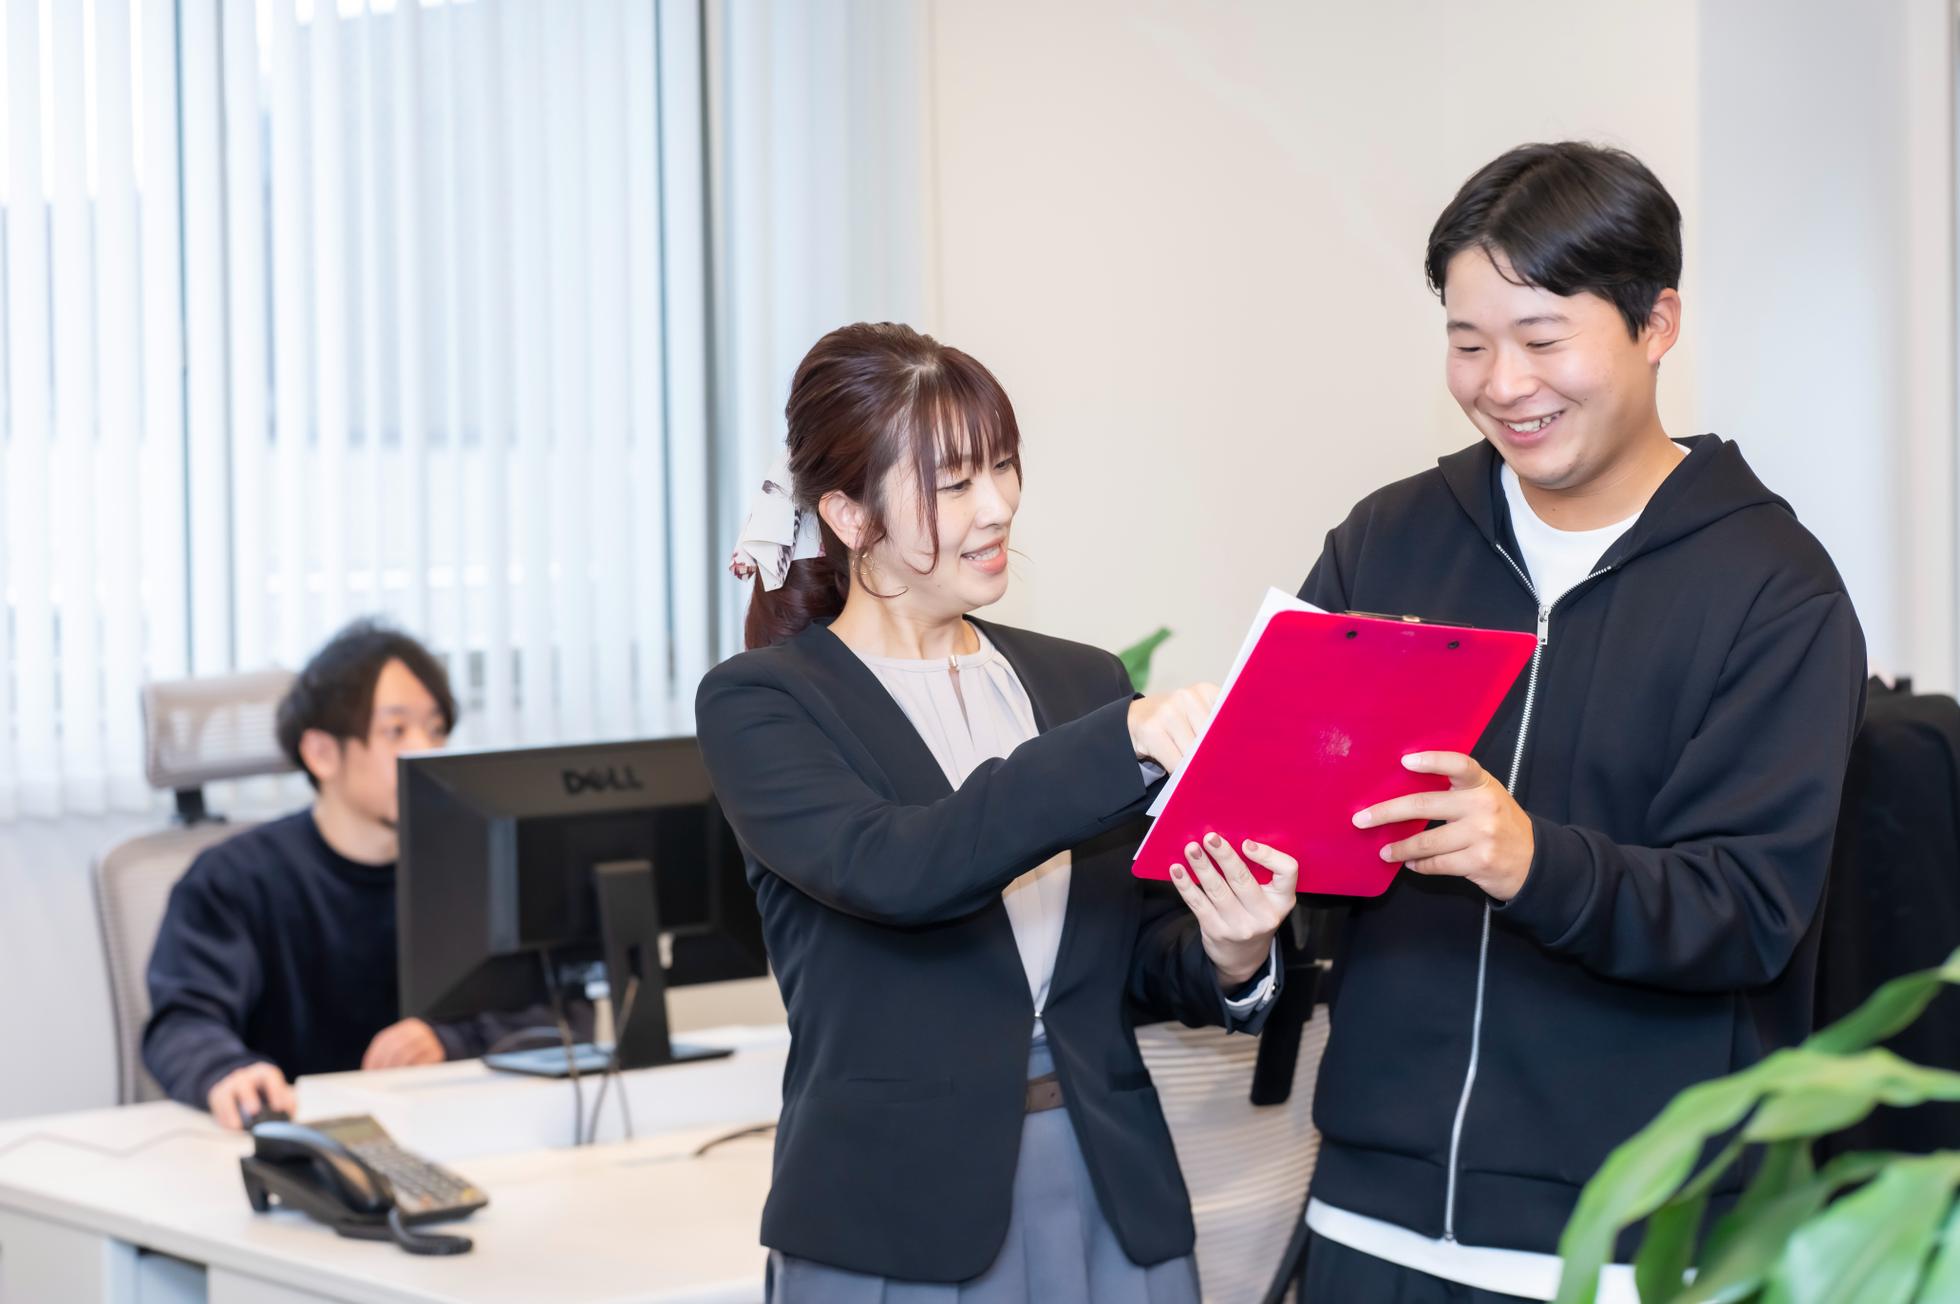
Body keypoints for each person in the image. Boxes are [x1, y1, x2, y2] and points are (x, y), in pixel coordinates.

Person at [1290, 142, 1868, 1301]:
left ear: (1656, 323)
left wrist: (1530, 859)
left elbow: (1749, 910)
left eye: (1542, 338)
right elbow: (1298, 815)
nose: (1502, 383)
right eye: (1467, 343)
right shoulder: (1387, 541)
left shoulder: (1772, 589)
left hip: (1619, 1244)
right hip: (1369, 1217)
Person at [695, 322, 1298, 1300]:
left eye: (1003, 466)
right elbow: (901, 866)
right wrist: (1120, 739)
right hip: (895, 1221)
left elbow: (1133, 954)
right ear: (849, 513)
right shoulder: (763, 701)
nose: (999, 505)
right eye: (954, 482)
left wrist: (1231, 953)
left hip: (1112, 1193)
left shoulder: (1079, 680)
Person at [143, 620, 551, 1128]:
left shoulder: (478, 869)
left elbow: (558, 1011)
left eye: (436, 729)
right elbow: (182, 1021)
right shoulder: (234, 879)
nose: (427, 751)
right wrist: (226, 1071)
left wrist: (449, 1041)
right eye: (396, 731)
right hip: (297, 1136)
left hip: (456, 1128)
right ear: (321, 753)